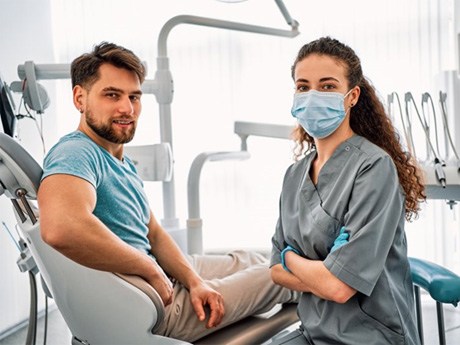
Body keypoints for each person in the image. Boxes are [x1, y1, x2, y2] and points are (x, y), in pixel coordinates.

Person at [37, 42, 298, 343]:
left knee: (257, 257)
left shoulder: (118, 159)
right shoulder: (76, 152)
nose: (127, 108)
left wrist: (195, 282)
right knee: (284, 274)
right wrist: (147, 267)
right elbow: (61, 227)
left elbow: (155, 234)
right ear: (80, 98)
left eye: (134, 96)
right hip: (153, 306)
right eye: (112, 95)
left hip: (160, 278)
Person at [270, 37, 426, 345]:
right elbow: (274, 270)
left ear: (352, 96)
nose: (313, 95)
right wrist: (322, 268)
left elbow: (339, 289)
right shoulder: (294, 175)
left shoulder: (373, 168)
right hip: (313, 332)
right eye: (303, 86)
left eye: (327, 86)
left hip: (370, 336)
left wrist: (292, 258)